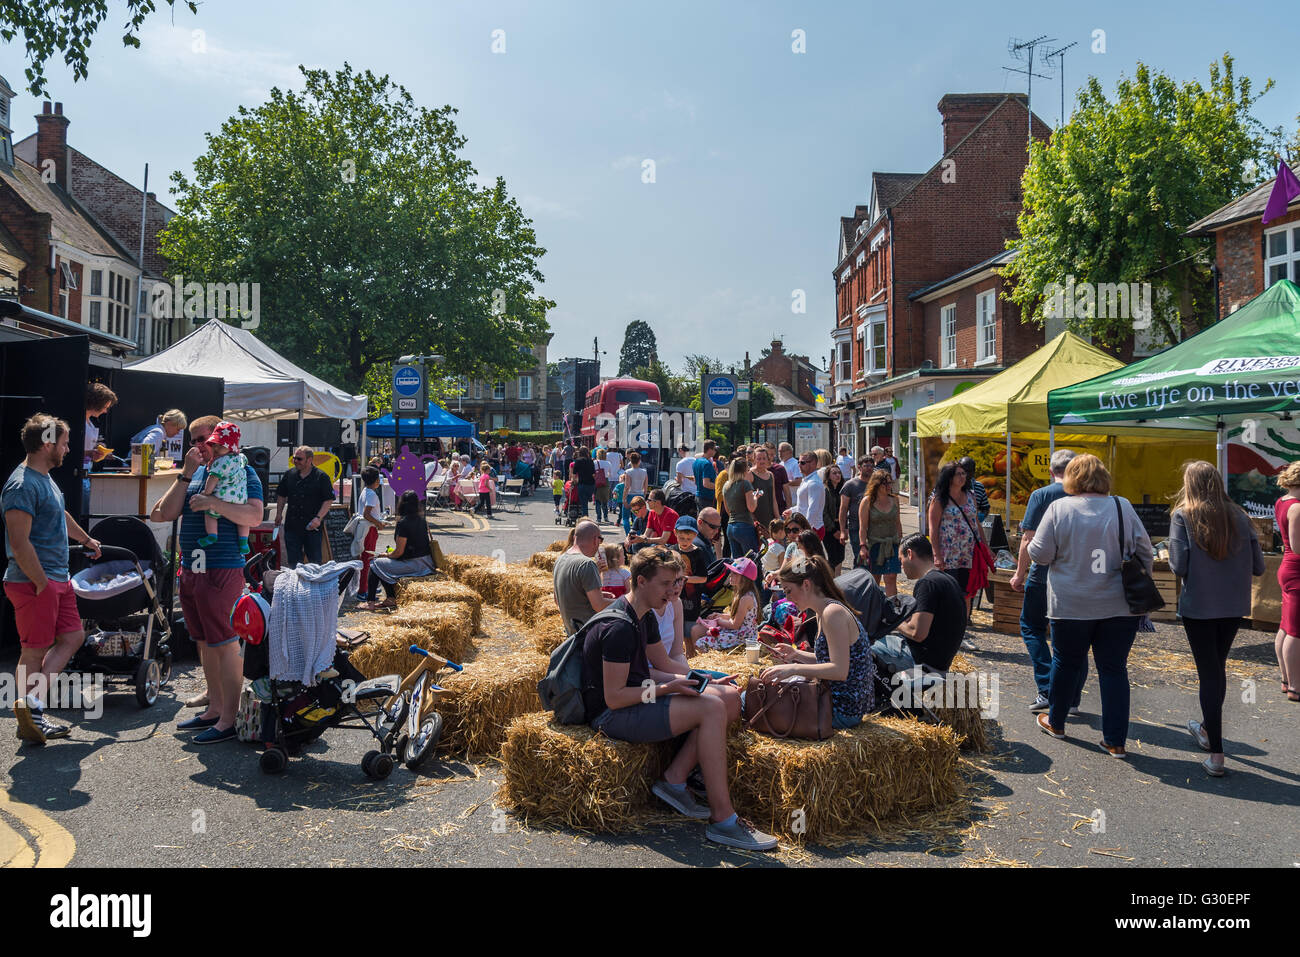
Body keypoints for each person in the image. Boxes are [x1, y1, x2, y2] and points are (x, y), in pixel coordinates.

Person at [578, 546, 775, 851]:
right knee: (710, 707)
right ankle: (723, 820)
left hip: (637, 697)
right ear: (641, 581)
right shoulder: (618, 626)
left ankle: (674, 779)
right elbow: (615, 698)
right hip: (610, 715)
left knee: (728, 698)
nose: (672, 592)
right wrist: (669, 689)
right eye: (665, 584)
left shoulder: (641, 615)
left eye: (675, 584)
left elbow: (665, 666)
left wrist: (702, 678)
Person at [1027, 454, 1152, 758]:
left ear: (1071, 477)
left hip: (1071, 604)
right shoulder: (1122, 506)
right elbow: (1145, 551)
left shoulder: (1059, 509)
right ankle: (1115, 741)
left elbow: (1039, 555)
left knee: (1065, 663)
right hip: (1118, 605)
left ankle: (1056, 722)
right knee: (1113, 670)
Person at [150, 413, 264, 743]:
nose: (200, 446)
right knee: (203, 641)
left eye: (205, 439)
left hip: (221, 566)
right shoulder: (197, 472)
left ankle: (230, 718)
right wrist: (185, 474)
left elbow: (255, 515)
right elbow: (162, 513)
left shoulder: (242, 469)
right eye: (195, 441)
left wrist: (212, 502)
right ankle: (215, 709)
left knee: (225, 643)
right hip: (193, 568)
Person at [3, 414, 102, 744]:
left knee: (73, 636)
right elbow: (19, 542)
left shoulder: (43, 478)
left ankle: (30, 706)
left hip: (57, 579)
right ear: (47, 443)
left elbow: (59, 513)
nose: (68, 448)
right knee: (34, 649)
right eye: (64, 442)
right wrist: (42, 583)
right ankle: (31, 712)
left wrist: (86, 540)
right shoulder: (21, 485)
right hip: (35, 582)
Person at [1168, 460, 1265, 776]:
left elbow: (1178, 566)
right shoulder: (1240, 515)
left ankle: (1217, 753)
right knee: (1216, 669)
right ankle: (1209, 731)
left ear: (1190, 483)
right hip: (1233, 606)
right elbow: (1259, 567)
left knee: (1210, 673)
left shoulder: (1184, 516)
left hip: (1199, 606)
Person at [1010, 449, 1084, 714]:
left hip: (1043, 574)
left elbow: (1027, 539)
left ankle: (1047, 687)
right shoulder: (1087, 494)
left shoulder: (1041, 495)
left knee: (1031, 627)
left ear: (1051, 471)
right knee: (1076, 638)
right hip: (1077, 576)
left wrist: (1019, 572)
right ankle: (1072, 697)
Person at [765, 554, 876, 728]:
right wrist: (796, 654)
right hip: (833, 701)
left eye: (788, 590)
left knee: (760, 704)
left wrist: (793, 668)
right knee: (761, 697)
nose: (786, 598)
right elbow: (829, 661)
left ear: (806, 585)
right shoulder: (823, 611)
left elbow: (839, 670)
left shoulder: (832, 613)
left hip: (841, 711)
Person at [871, 533, 966, 674]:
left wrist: (892, 620)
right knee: (884, 639)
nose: (901, 565)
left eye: (900, 559)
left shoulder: (927, 583)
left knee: (863, 649)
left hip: (922, 663)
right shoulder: (946, 579)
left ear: (909, 554)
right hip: (939, 661)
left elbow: (917, 633)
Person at [359, 490, 436, 609]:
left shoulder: (403, 523)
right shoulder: (422, 520)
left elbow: (399, 552)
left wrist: (386, 555)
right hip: (427, 563)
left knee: (375, 564)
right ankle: (390, 598)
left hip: (414, 565)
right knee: (383, 565)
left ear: (402, 504)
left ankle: (371, 602)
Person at [926, 461, 982, 596]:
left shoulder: (971, 496)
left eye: (964, 474)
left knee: (967, 592)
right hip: (948, 555)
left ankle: (964, 617)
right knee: (949, 592)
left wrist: (985, 546)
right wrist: (936, 555)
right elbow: (932, 529)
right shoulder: (939, 499)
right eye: (958, 474)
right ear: (949, 477)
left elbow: (976, 523)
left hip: (968, 553)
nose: (963, 477)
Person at [275, 444, 336, 568]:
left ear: (309, 460)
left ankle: (313, 586)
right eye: (294, 458)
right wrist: (278, 514)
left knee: (314, 563)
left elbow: (328, 500)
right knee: (293, 563)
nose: (295, 461)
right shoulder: (289, 474)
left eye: (299, 459)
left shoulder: (321, 477)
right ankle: (294, 586)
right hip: (292, 525)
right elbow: (281, 495)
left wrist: (318, 518)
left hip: (312, 526)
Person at [197, 422, 250, 555]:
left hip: (221, 496)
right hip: (240, 498)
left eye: (221, 446)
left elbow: (213, 478)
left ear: (230, 447)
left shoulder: (220, 462)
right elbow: (245, 461)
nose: (216, 448)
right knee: (243, 521)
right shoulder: (240, 457)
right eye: (214, 444)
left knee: (210, 514)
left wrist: (206, 493)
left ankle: (212, 535)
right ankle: (243, 541)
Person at [554, 520, 615, 634]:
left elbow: (557, 600)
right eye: (600, 540)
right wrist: (624, 601)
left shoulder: (560, 559)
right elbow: (599, 605)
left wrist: (595, 595)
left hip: (572, 633)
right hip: (589, 633)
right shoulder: (587, 564)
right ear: (595, 540)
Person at [691, 557, 760, 651]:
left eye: (734, 573)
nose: (730, 575)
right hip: (737, 631)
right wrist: (721, 615)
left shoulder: (745, 598)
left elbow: (735, 625)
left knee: (700, 643)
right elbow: (738, 617)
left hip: (741, 637)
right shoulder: (740, 593)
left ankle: (709, 663)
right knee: (696, 630)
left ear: (744, 578)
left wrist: (719, 620)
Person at [1275, 462, 1300, 705]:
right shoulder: (1297, 508)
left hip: (1287, 567)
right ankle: (1295, 685)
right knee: (1296, 630)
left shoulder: (1282, 502)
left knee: (1286, 625)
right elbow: (1298, 547)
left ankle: (1286, 680)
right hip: (1297, 570)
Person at [859, 469, 903, 597]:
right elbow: (863, 527)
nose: (890, 486)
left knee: (891, 577)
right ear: (877, 484)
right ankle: (874, 607)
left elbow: (898, 522)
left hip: (892, 543)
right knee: (874, 579)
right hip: (875, 544)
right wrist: (863, 546)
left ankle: (892, 608)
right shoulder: (867, 501)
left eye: (890, 483)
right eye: (886, 483)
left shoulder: (895, 500)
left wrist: (900, 542)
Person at [671, 515, 709, 628]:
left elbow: (703, 578)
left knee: (688, 630)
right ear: (675, 533)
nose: (684, 541)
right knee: (674, 627)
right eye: (681, 538)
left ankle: (689, 646)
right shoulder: (672, 551)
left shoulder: (698, 553)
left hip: (691, 600)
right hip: (673, 596)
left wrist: (686, 579)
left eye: (689, 539)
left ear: (695, 536)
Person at [722, 456, 761, 559]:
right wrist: (755, 497)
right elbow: (751, 508)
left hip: (731, 527)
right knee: (752, 561)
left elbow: (728, 510)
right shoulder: (745, 484)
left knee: (738, 564)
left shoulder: (726, 486)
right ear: (745, 470)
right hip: (745, 526)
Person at [838, 456, 872, 569]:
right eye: (866, 466)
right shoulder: (850, 485)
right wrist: (843, 530)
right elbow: (843, 509)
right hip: (855, 527)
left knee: (873, 560)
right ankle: (859, 582)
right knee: (861, 557)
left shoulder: (876, 484)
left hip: (874, 528)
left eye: (871, 466)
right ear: (859, 467)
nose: (869, 468)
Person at [793, 450, 826, 538]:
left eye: (803, 463)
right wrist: (792, 510)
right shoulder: (807, 480)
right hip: (806, 527)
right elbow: (804, 505)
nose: (799, 465)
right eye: (798, 462)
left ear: (813, 464)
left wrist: (805, 530)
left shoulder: (813, 483)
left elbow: (813, 509)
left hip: (813, 528)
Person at [822, 463, 846, 572]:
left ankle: (837, 581)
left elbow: (846, 510)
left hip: (841, 525)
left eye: (839, 472)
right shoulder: (825, 490)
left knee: (841, 556)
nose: (838, 475)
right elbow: (824, 512)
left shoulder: (843, 489)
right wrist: (833, 530)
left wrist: (844, 528)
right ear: (828, 476)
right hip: (830, 528)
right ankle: (831, 582)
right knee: (833, 556)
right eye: (834, 473)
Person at [958, 456, 990, 523]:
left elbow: (985, 508)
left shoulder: (979, 487)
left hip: (971, 530)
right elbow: (932, 501)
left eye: (968, 471)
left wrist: (979, 519)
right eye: (963, 470)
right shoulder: (948, 485)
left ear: (973, 472)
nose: (965, 474)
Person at [570, 445, 597, 517]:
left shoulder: (578, 461)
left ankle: (585, 517)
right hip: (591, 483)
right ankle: (589, 496)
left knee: (584, 503)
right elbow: (593, 473)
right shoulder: (590, 461)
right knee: (587, 498)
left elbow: (574, 474)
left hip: (582, 483)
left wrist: (573, 481)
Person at [693, 440, 718, 509]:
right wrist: (720, 487)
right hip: (707, 499)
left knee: (701, 518)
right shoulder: (707, 464)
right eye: (714, 449)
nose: (715, 451)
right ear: (709, 450)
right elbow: (706, 484)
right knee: (709, 519)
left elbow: (695, 481)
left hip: (699, 496)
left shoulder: (696, 462)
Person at [593, 448, 614, 524]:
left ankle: (598, 518)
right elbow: (610, 474)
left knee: (597, 500)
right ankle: (606, 517)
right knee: (605, 501)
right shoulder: (608, 463)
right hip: (606, 481)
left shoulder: (595, 462)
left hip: (597, 481)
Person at [779, 442, 801, 507]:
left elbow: (799, 481)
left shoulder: (795, 464)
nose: (780, 454)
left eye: (782, 451)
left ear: (790, 452)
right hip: (783, 499)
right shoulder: (781, 464)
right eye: (779, 451)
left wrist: (785, 482)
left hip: (793, 500)